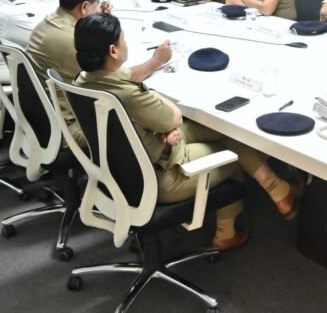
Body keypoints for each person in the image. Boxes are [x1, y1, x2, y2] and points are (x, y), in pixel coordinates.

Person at [72, 13, 304, 250]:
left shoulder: (84, 80)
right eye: (123, 39)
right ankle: (226, 234)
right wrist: (153, 97)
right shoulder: (127, 95)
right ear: (113, 51)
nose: (126, 43)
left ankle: (279, 191)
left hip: (127, 163)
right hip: (159, 177)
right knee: (230, 153)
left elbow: (131, 84)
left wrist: (158, 125)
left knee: (220, 129)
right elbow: (174, 117)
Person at [26, 0, 173, 149]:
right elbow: (121, 76)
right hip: (71, 125)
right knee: (151, 120)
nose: (100, 6)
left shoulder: (49, 23)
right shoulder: (72, 41)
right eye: (98, 2)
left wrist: (99, 21)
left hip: (43, 115)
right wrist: (157, 60)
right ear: (84, 6)